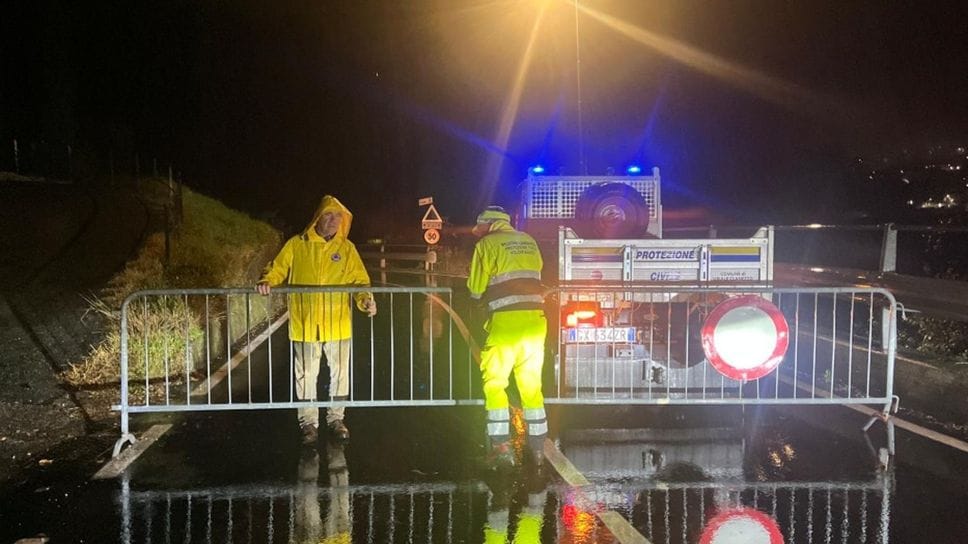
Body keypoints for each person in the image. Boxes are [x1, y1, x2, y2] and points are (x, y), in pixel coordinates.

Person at [257, 195, 376, 445]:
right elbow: (278, 267)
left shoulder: (347, 249)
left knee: (340, 373)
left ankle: (336, 419)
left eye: (338, 217)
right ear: (317, 218)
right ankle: (308, 423)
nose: (333, 221)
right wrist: (267, 280)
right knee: (306, 375)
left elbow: (359, 280)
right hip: (305, 323)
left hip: (338, 323)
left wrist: (365, 299)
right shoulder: (297, 245)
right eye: (328, 215)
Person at [467, 206, 548, 468]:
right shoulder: (528, 241)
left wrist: (475, 300)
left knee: (495, 383)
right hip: (536, 321)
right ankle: (536, 450)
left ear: (488, 225)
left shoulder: (487, 244)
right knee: (531, 385)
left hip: (505, 322)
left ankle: (501, 447)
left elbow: (476, 289)